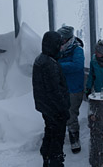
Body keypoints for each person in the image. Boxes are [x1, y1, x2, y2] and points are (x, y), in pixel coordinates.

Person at [32, 31, 70, 167]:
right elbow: (55, 92)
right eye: (59, 45)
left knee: (49, 132)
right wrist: (64, 109)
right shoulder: (49, 64)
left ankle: (47, 158)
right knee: (56, 138)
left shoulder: (41, 59)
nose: (60, 48)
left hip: (46, 108)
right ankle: (55, 161)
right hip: (55, 111)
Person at [56, 25, 85, 154]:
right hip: (62, 87)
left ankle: (74, 139)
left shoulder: (77, 50)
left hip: (74, 88)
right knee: (61, 113)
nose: (60, 41)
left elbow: (77, 65)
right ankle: (61, 136)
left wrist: (57, 66)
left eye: (62, 39)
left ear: (68, 39)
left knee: (71, 114)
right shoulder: (60, 49)